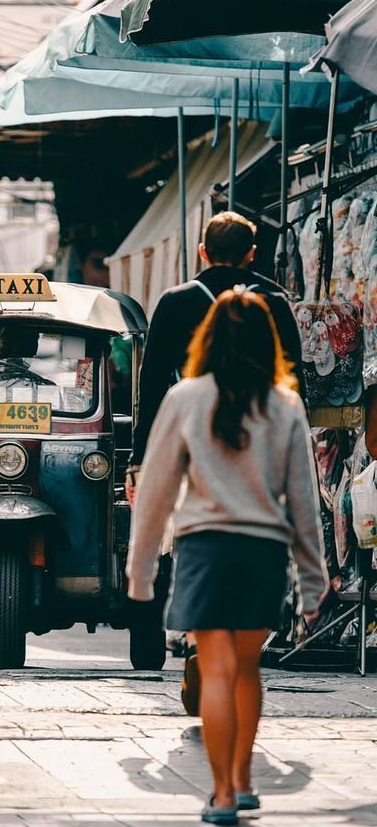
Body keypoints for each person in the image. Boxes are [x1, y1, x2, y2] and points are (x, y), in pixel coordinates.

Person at [127, 290, 328, 826]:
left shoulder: (185, 398)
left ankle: (220, 795)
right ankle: (242, 781)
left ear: (207, 339)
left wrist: (140, 571)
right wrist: (314, 582)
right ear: (267, 344)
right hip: (263, 553)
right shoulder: (284, 405)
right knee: (246, 669)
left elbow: (156, 494)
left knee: (213, 672)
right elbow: (303, 501)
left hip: (204, 550)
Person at [125, 212, 303, 704]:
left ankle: (189, 638)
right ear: (252, 252)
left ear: (202, 251)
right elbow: (295, 381)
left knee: (185, 539)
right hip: (262, 437)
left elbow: (154, 383)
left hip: (194, 432)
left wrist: (140, 458)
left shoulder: (177, 301)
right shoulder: (274, 300)